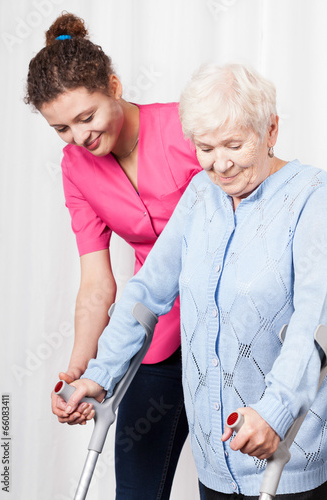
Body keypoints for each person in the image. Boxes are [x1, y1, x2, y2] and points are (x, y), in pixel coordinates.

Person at [62, 62, 327, 499]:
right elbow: (148, 291)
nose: (220, 165)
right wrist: (100, 372)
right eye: (205, 148)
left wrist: (275, 412)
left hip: (286, 453)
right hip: (215, 456)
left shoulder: (312, 196)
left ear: (272, 130)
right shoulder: (202, 195)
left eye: (234, 145)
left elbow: (313, 323)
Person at [24, 13, 205, 500]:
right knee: (136, 492)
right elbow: (96, 284)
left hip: (227, 332)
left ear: (115, 85)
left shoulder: (188, 128)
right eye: (61, 127)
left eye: (87, 117)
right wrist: (82, 368)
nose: (79, 137)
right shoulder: (76, 168)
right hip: (155, 335)